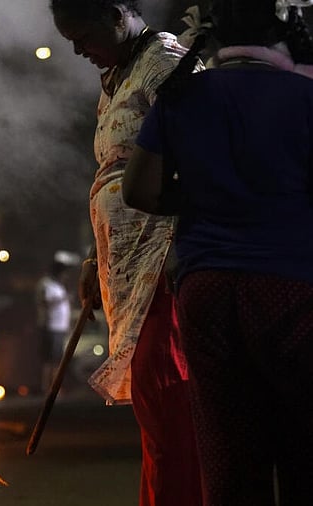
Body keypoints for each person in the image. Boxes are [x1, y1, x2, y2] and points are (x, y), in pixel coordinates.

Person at [123, 1, 313, 503]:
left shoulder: (183, 95)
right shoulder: (305, 96)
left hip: (206, 291)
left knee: (229, 456)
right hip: (292, 287)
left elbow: (138, 191)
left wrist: (208, 200)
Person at [50, 1, 202, 505]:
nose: (77, 49)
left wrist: (184, 251)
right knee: (155, 411)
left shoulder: (167, 64)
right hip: (128, 264)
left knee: (169, 403)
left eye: (81, 34)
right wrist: (98, 259)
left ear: (116, 14)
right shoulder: (120, 75)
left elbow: (200, 156)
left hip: (164, 262)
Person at [34, 259, 71, 394]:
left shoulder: (58, 286)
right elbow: (44, 302)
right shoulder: (45, 284)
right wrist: (63, 299)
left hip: (59, 327)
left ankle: (54, 387)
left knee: (57, 359)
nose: (65, 276)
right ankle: (48, 387)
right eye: (64, 273)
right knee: (50, 359)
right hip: (50, 326)